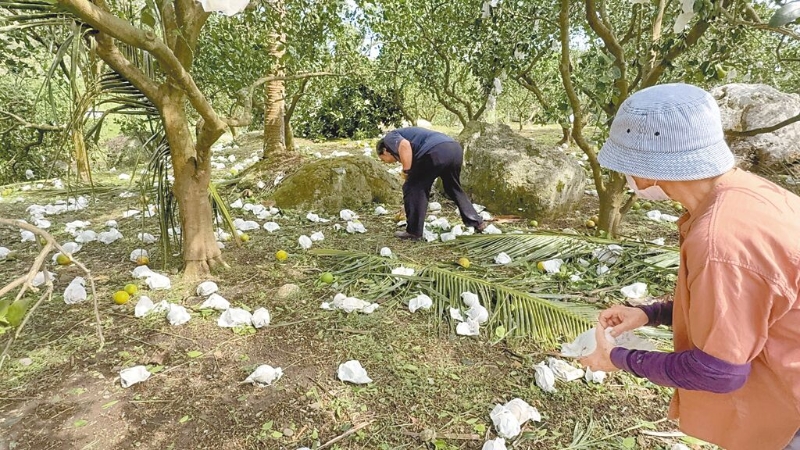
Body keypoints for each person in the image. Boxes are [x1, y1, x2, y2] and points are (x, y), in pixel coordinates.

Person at [578, 83, 800, 450]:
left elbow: (719, 372)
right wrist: (649, 314)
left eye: (624, 168)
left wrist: (617, 358)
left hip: (789, 411)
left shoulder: (719, 240)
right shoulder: (749, 193)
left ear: (644, 172)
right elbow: (747, 307)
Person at [376, 126, 486, 239]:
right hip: (454, 149)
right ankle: (477, 222)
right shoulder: (411, 140)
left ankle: (413, 232)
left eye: (382, 159)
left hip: (435, 150)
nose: (386, 163)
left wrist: (406, 171)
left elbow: (404, 145)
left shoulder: (389, 138)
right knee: (452, 188)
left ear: (385, 150)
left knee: (414, 188)